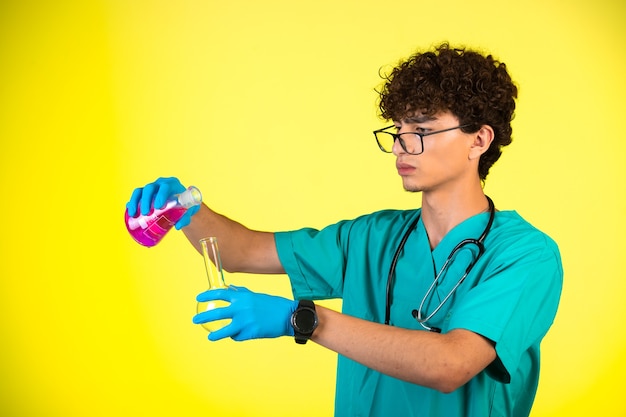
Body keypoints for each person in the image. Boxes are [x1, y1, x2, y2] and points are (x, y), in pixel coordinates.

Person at [126, 42, 563, 417]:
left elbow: (450, 365)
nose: (400, 145)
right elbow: (243, 252)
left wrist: (301, 319)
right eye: (398, 130)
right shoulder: (371, 238)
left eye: (422, 130)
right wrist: (184, 209)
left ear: (479, 140)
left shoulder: (524, 255)